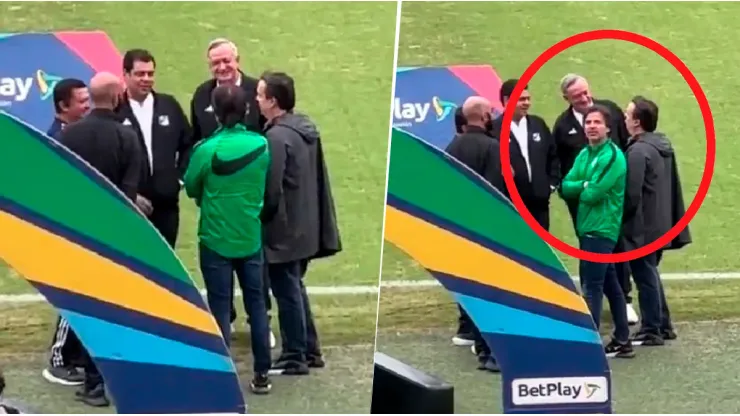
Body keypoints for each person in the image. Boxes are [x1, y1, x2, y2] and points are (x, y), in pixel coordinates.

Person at [57, 72, 144, 407]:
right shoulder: (127, 137)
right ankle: (119, 377)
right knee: (117, 310)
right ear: (119, 95)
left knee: (87, 310)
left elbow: (61, 188)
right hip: (115, 237)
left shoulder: (69, 135)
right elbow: (129, 196)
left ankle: (93, 383)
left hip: (79, 235)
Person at [184, 83, 273, 394]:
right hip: (250, 238)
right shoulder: (261, 145)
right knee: (257, 306)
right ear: (246, 110)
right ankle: (262, 375)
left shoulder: (206, 150)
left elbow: (193, 187)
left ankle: (222, 377)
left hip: (215, 239)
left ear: (216, 113)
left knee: (220, 308)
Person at [188, 38, 273, 343]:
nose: (221, 67)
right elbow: (196, 140)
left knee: (254, 263)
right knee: (223, 262)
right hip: (217, 197)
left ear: (238, 60)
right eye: (215, 63)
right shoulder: (201, 94)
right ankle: (229, 319)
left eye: (227, 61)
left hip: (251, 196)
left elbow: (269, 137)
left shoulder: (258, 90)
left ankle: (261, 319)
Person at [257, 71, 342, 375]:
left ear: (273, 101)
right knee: (295, 286)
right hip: (305, 224)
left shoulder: (276, 137)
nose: (257, 100)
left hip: (283, 230)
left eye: (260, 95)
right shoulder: (305, 130)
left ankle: (294, 355)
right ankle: (309, 349)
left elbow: (271, 189)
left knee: (286, 290)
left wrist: (260, 217)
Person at [552, 73, 638, 325]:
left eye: (586, 92)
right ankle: (620, 334)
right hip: (583, 209)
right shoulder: (562, 127)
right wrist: (579, 186)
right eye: (577, 96)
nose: (585, 98)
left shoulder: (610, 113)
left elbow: (625, 148)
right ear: (566, 98)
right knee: (595, 264)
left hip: (609, 203)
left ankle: (618, 306)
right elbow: (566, 179)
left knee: (610, 259)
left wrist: (586, 187)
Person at [559, 105, 634, 359]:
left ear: (608, 127)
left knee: (592, 286)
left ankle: (588, 347)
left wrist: (582, 187)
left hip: (601, 229)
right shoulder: (585, 154)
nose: (591, 126)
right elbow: (565, 187)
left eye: (597, 122)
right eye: (588, 122)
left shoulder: (612, 157)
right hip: (589, 228)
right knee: (611, 286)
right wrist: (584, 184)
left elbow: (592, 194)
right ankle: (623, 340)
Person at [445, 96, 506, 372]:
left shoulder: (452, 147)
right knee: (494, 294)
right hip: (486, 232)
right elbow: (495, 192)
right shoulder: (493, 147)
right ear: (483, 117)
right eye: (490, 112)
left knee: (474, 293)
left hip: (459, 231)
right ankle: (493, 353)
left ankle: (482, 350)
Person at [116, 49, 194, 248]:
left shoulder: (168, 106)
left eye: (150, 74)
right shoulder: (116, 110)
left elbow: (189, 144)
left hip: (166, 207)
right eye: (140, 74)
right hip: (130, 207)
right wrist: (129, 193)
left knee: (166, 266)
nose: (146, 79)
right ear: (125, 74)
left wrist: (179, 179)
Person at [42, 78, 90, 387]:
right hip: (64, 232)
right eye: (82, 101)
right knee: (73, 295)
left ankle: (76, 354)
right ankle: (59, 359)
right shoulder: (57, 140)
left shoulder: (71, 135)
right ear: (64, 106)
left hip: (76, 228)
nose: (88, 105)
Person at [622, 96, 680, 346]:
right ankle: (662, 324)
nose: (624, 119)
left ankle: (652, 328)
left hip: (642, 227)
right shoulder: (661, 147)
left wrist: (620, 219)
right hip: (660, 223)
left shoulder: (638, 151)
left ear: (637, 121)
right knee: (651, 273)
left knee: (644, 276)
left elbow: (631, 194)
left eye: (627, 115)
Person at [490, 79, 560, 230]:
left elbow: (552, 155)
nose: (526, 103)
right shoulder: (494, 130)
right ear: (507, 101)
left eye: (528, 99)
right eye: (521, 99)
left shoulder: (538, 124)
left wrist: (551, 184)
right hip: (511, 205)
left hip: (539, 204)